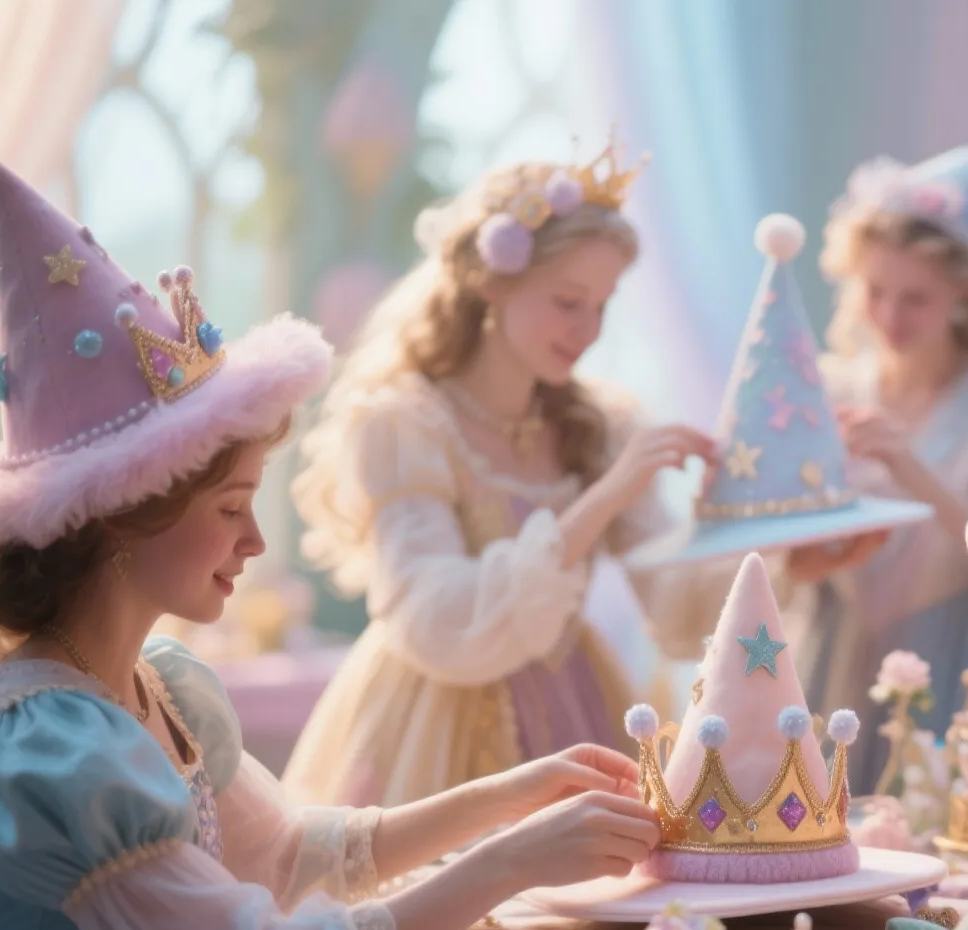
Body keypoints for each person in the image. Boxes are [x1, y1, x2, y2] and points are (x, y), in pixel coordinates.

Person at [0, 154, 659, 930]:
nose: (256, 541)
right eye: (231, 508)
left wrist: (507, 798)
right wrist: (511, 861)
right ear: (123, 517)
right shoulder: (55, 743)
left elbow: (291, 851)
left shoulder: (152, 687)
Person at [283, 145, 718, 807]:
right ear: (492, 282)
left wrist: (766, 540)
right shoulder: (406, 424)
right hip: (429, 730)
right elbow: (436, 619)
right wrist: (601, 501)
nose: (588, 330)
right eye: (567, 301)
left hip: (577, 706)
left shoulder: (601, 428)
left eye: (602, 306)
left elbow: (674, 605)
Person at [784, 138, 968, 782]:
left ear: (963, 293)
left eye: (916, 298)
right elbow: (786, 554)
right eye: (875, 290)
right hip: (830, 667)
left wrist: (913, 470)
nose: (890, 316)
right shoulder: (826, 390)